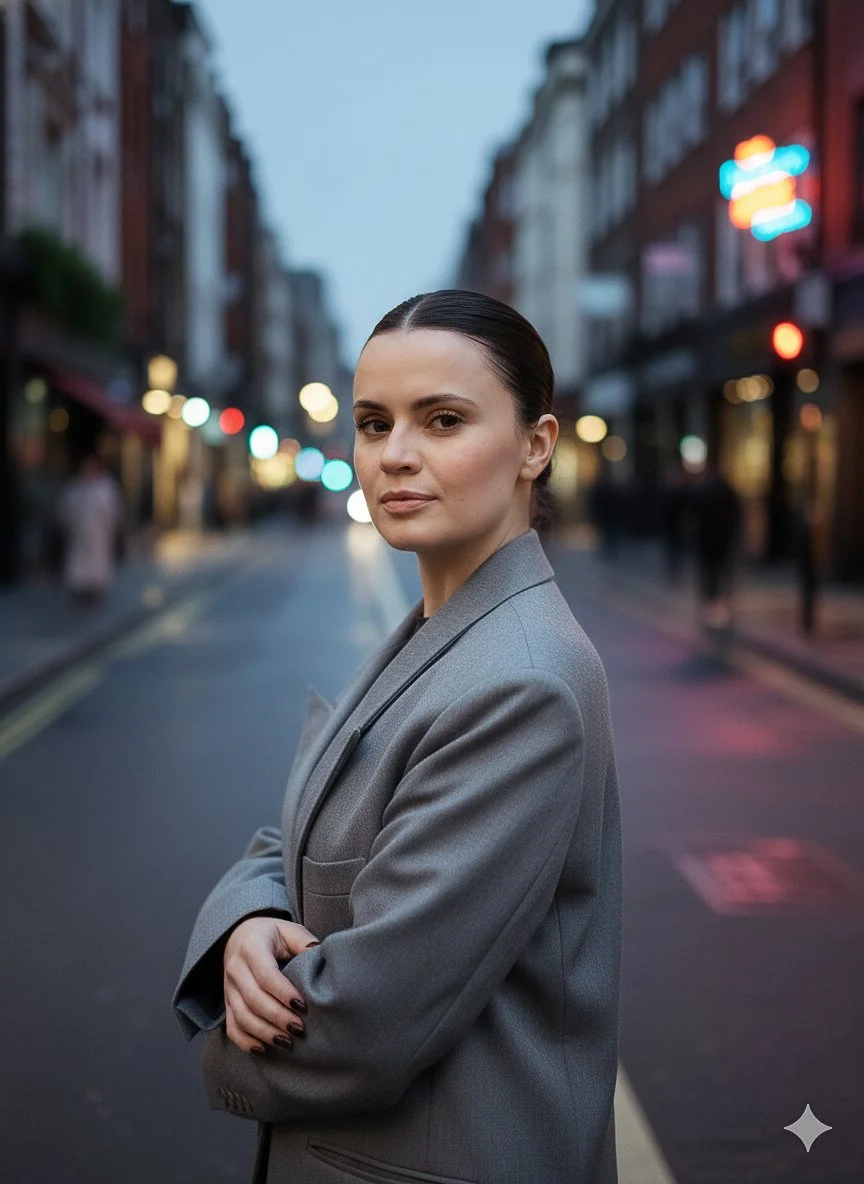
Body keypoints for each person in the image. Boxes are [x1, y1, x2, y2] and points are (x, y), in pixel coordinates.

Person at [172, 290, 623, 1184]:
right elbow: (299, 842)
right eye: (374, 424)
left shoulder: (519, 681)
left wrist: (220, 1039)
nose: (396, 456)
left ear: (537, 445)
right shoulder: (439, 627)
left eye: (443, 420)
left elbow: (360, 1027)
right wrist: (248, 925)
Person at [56, 452, 124, 605]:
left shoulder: (105, 488)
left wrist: (112, 530)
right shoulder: (75, 488)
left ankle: (95, 590)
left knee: (97, 562)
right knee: (78, 563)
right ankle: (80, 589)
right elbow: (65, 510)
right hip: (79, 534)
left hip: (99, 534)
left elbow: (113, 511)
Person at [690, 460, 742, 629]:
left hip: (708, 539)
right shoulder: (727, 491)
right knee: (721, 571)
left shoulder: (703, 491)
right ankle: (720, 604)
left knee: (709, 572)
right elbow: (736, 514)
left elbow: (695, 515)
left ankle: (710, 603)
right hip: (722, 539)